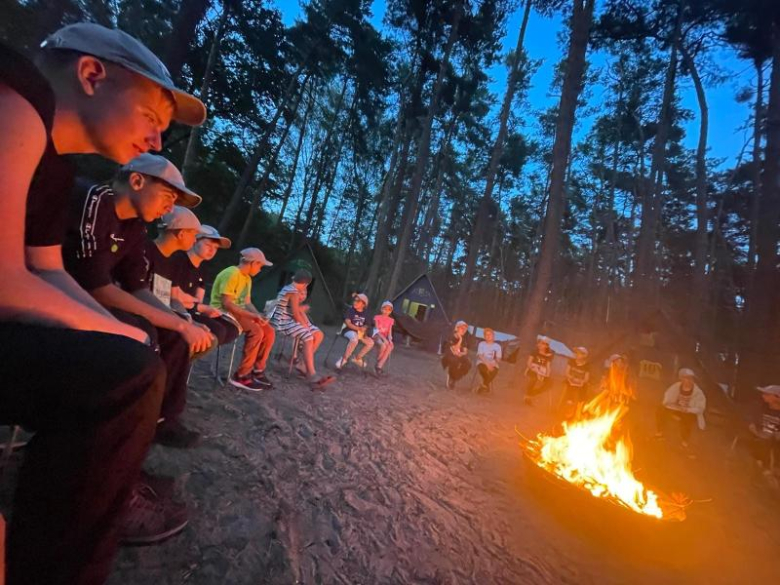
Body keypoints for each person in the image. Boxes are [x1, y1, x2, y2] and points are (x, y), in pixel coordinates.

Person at [0, 21, 205, 584]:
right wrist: (117, 332)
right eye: (151, 120)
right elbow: (8, 282)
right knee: (123, 370)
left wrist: (128, 331)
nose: (157, 141)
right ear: (92, 74)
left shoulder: (53, 162)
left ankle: (109, 487)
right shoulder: (15, 104)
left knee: (135, 352)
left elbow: (45, 268)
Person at [63, 153, 213, 450]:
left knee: (176, 334)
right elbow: (97, 288)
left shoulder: (134, 228)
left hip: (95, 302)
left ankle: (160, 420)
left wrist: (181, 321)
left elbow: (136, 287)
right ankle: (108, 432)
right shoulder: (95, 201)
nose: (170, 207)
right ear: (136, 180)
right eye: (168, 196)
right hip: (64, 300)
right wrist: (175, 322)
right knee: (149, 336)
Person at [211, 248, 276, 391]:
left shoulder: (247, 278)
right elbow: (227, 304)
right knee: (256, 331)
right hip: (222, 312)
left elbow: (247, 302)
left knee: (269, 331)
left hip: (239, 312)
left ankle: (257, 371)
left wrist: (258, 315)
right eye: (260, 266)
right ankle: (242, 375)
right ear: (253, 263)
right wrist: (252, 317)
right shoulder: (231, 274)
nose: (260, 269)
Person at [173, 224, 240, 346]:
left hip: (192, 310)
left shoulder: (203, 270)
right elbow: (174, 296)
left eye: (215, 248)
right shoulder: (178, 260)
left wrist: (195, 305)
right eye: (208, 245)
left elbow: (198, 300)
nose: (212, 250)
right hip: (174, 310)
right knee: (217, 330)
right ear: (195, 240)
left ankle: (192, 354)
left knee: (231, 330)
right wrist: (196, 305)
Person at [269, 269, 334, 390]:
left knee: (317, 335)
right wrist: (306, 328)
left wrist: (306, 325)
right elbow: (295, 314)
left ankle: (303, 365)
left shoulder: (289, 288)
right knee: (308, 337)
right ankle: (312, 375)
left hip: (287, 319)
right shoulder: (293, 291)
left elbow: (295, 312)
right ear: (306, 284)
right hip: (282, 322)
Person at [147, 205, 203, 312]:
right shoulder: (144, 251)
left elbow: (174, 299)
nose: (195, 240)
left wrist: (187, 319)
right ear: (181, 234)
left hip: (163, 314)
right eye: (194, 235)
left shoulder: (173, 261)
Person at [655, 368, 707, 449]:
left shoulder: (698, 392)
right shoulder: (675, 387)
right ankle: (660, 432)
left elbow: (700, 408)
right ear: (681, 379)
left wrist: (688, 409)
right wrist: (673, 406)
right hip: (677, 409)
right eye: (686, 378)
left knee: (688, 419)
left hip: (690, 412)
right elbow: (667, 399)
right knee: (660, 410)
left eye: (691, 378)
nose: (689, 380)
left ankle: (684, 441)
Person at [335, 293, 375, 370]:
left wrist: (364, 327)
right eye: (355, 300)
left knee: (371, 343)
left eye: (358, 301)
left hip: (360, 333)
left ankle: (357, 358)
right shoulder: (350, 310)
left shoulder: (366, 313)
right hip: (348, 331)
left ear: (364, 304)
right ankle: (344, 359)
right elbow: (348, 323)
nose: (355, 302)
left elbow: (368, 324)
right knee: (354, 339)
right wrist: (358, 328)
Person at [747, 386, 780, 478]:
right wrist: (752, 427)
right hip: (760, 442)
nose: (763, 396)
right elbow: (752, 423)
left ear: (777, 397)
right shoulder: (760, 408)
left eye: (767, 394)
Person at [523, 336, 554, 405]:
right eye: (539, 343)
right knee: (534, 379)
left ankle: (532, 393)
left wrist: (547, 375)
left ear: (546, 346)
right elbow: (528, 362)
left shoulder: (549, 355)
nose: (540, 345)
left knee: (550, 383)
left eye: (542, 343)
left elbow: (548, 366)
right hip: (532, 369)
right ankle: (528, 396)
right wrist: (533, 368)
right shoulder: (535, 351)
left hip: (542, 371)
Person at [442, 320, 471, 390]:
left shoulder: (464, 340)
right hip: (448, 356)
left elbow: (465, 351)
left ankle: (454, 377)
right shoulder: (451, 337)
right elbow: (454, 351)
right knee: (455, 360)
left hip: (458, 356)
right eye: (462, 328)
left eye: (465, 329)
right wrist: (460, 340)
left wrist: (461, 353)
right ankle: (452, 377)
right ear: (457, 328)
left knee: (468, 363)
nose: (464, 330)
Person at [372, 301, 395, 376]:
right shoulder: (377, 317)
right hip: (377, 336)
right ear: (381, 309)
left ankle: (379, 366)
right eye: (384, 309)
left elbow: (389, 332)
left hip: (384, 337)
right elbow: (377, 330)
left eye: (388, 310)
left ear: (391, 311)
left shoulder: (391, 320)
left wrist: (390, 339)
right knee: (383, 345)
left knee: (390, 346)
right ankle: (378, 361)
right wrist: (385, 340)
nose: (386, 311)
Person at [476, 328, 502, 394]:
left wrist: (492, 364)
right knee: (483, 369)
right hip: (482, 362)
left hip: (493, 363)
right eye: (486, 335)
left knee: (494, 370)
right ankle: (486, 386)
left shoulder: (497, 346)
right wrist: (487, 364)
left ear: (493, 336)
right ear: (484, 337)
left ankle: (484, 385)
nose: (488, 336)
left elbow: (498, 358)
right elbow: (480, 355)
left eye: (490, 334)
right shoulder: (481, 344)